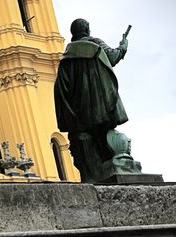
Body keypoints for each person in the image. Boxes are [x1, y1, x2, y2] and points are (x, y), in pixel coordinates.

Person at [54, 18, 129, 182]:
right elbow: (113, 57)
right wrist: (123, 46)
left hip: (80, 114)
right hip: (103, 108)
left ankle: (95, 175)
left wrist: (69, 116)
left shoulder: (66, 59)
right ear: (87, 31)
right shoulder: (96, 44)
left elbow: (62, 90)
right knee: (106, 144)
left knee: (88, 148)